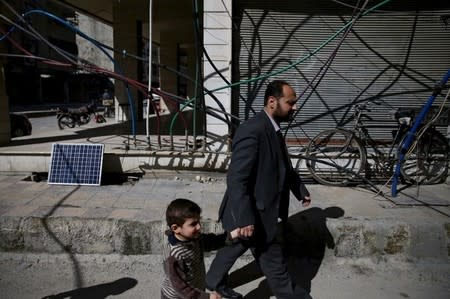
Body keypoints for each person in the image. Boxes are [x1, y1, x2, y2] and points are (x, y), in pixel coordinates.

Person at [205, 80, 312, 299]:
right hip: (251, 212)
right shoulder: (252, 129)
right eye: (290, 102)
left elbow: (282, 165)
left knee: (233, 248)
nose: (295, 107)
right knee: (272, 261)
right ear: (272, 102)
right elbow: (236, 178)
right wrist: (244, 219)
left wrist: (299, 190)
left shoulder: (273, 128)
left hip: (257, 210)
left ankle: (212, 281)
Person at [161, 198, 237, 299]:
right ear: (176, 228)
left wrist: (232, 235)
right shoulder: (174, 254)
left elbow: (212, 241)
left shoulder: (195, 238)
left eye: (198, 221)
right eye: (193, 224)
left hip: (196, 290)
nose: (199, 227)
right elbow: (180, 287)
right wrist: (207, 297)